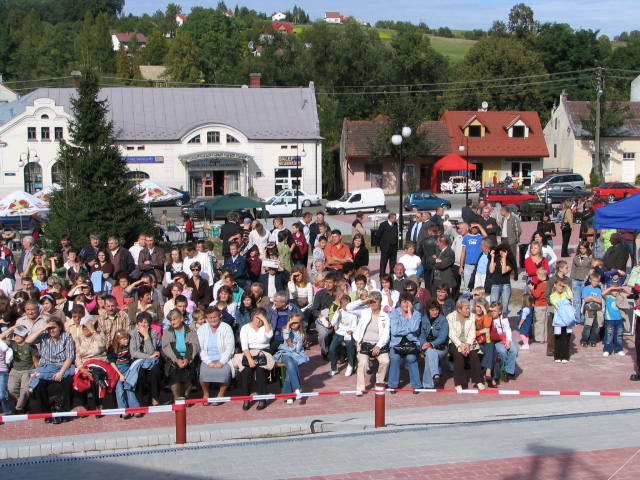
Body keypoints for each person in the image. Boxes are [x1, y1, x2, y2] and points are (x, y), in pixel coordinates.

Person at [25, 318, 75, 423]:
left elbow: (70, 357)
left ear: (60, 327)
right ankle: (47, 413)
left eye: (54, 328)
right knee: (39, 384)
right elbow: (28, 340)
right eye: (49, 328)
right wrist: (43, 328)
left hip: (62, 366)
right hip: (46, 367)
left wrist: (61, 372)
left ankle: (65, 413)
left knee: (68, 382)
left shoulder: (66, 336)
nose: (51, 330)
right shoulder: (44, 336)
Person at [348, 292, 390, 396]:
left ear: (380, 302)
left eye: (375, 301)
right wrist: (364, 301)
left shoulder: (385, 316)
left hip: (379, 344)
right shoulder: (364, 312)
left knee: (385, 361)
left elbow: (386, 334)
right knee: (362, 363)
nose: (373, 304)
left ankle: (379, 381)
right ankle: (360, 387)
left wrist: (378, 346)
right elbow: (349, 308)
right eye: (371, 301)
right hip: (364, 343)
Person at [237, 309, 274, 411]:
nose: (259, 320)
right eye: (257, 318)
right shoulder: (245, 328)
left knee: (261, 371)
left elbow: (269, 336)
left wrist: (265, 321)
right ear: (252, 317)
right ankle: (246, 399)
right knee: (247, 371)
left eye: (261, 318)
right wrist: (249, 359)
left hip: (263, 352)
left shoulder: (266, 327)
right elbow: (244, 346)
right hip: (249, 352)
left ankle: (262, 398)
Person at [197, 307, 234, 404]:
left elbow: (230, 347)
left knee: (225, 372)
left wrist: (221, 362)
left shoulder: (226, 328)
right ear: (206, 318)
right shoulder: (202, 329)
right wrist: (209, 362)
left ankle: (220, 394)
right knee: (203, 374)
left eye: (215, 317)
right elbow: (200, 348)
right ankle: (206, 393)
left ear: (219, 316)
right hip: (207, 359)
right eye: (210, 318)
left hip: (223, 358)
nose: (213, 320)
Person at [447, 298, 485, 391]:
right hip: (455, 342)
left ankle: (478, 381)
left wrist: (467, 344)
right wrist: (460, 345)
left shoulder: (472, 316)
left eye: (469, 308)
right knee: (458, 356)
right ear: (459, 309)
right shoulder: (450, 317)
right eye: (466, 309)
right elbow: (451, 334)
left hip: (468, 342)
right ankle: (459, 382)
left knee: (474, 355)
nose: (468, 310)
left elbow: (472, 333)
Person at [162, 309, 200, 401]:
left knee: (189, 372)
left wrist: (187, 359)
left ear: (181, 318)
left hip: (189, 358)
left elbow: (194, 346)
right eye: (171, 320)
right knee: (174, 374)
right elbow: (167, 347)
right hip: (173, 359)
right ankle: (177, 397)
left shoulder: (190, 330)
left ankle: (186, 395)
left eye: (174, 319)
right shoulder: (167, 332)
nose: (172, 322)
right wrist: (177, 359)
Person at [388, 293, 422, 391]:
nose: (406, 304)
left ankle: (416, 385)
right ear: (400, 303)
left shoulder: (417, 314)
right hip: (396, 343)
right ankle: (393, 385)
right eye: (404, 302)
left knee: (411, 358)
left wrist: (410, 313)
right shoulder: (395, 313)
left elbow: (414, 328)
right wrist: (409, 329)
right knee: (395, 358)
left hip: (412, 343)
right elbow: (394, 331)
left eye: (408, 302)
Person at [0, 325, 36, 414]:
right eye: (15, 335)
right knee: (11, 389)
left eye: (19, 335)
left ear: (25, 335)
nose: (16, 337)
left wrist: (36, 372)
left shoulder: (30, 346)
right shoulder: (12, 344)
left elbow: (35, 361)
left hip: (28, 370)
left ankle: (19, 408)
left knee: (25, 390)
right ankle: (22, 404)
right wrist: (13, 327)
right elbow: (0, 338)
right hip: (15, 370)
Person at [129, 312, 162, 406]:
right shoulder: (132, 334)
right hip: (138, 360)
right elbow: (134, 352)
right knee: (140, 373)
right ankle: (141, 399)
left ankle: (154, 397)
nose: (143, 325)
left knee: (156, 371)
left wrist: (146, 336)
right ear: (137, 324)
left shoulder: (154, 333)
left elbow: (152, 351)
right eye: (141, 323)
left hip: (151, 360)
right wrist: (148, 356)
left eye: (145, 322)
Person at [274, 314, 309, 404]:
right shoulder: (286, 330)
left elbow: (297, 349)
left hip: (296, 355)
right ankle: (297, 388)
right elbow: (285, 337)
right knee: (290, 363)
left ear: (300, 324)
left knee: (290, 372)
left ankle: (288, 395)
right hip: (285, 353)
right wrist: (288, 324)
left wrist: (290, 343)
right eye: (292, 322)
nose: (293, 324)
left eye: (296, 323)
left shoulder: (301, 335)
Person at [107, 329, 140, 419]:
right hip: (117, 369)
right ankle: (123, 410)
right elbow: (112, 362)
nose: (126, 341)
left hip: (127, 367)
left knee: (129, 387)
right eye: (124, 339)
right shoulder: (113, 348)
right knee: (119, 389)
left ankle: (135, 408)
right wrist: (120, 374)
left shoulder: (129, 347)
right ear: (118, 340)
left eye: (127, 339)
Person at [419, 300, 449, 389]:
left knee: (430, 353)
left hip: (440, 347)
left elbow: (442, 337)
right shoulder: (424, 319)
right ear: (428, 310)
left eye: (437, 310)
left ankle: (428, 384)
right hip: (426, 346)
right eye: (432, 310)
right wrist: (424, 344)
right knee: (429, 352)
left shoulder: (443, 320)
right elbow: (421, 335)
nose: (435, 312)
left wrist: (431, 344)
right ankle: (435, 375)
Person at [328, 295, 358, 377]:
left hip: (348, 335)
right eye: (343, 305)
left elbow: (354, 326)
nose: (345, 307)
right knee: (332, 349)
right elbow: (333, 323)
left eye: (347, 305)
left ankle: (350, 365)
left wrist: (351, 331)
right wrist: (337, 313)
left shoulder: (353, 314)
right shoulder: (339, 312)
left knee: (350, 348)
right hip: (338, 334)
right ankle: (334, 368)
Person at [489, 301, 519, 382]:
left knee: (514, 350)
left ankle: (509, 370)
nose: (492, 313)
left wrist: (508, 341)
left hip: (505, 338)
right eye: (491, 311)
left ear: (500, 312)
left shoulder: (504, 319)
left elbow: (508, 330)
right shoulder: (489, 319)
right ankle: (503, 369)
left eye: (495, 311)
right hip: (496, 339)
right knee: (502, 351)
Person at [549, 279, 575, 363]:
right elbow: (557, 304)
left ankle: (565, 356)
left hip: (567, 320)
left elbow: (571, 296)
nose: (561, 287)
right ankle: (557, 356)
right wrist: (565, 303)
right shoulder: (552, 295)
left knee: (566, 337)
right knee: (558, 338)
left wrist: (567, 287)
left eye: (562, 286)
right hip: (558, 320)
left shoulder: (565, 294)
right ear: (555, 285)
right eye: (559, 285)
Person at [488, 243, 517, 316]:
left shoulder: (509, 262)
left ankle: (503, 320)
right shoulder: (496, 259)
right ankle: (492, 321)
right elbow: (491, 270)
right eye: (500, 250)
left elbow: (503, 271)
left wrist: (504, 259)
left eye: (503, 251)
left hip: (505, 286)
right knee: (493, 306)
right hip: (495, 285)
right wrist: (492, 257)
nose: (501, 252)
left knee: (504, 309)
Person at [602, 286, 629, 357]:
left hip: (619, 320)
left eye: (617, 291)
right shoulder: (608, 297)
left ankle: (619, 349)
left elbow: (629, 293)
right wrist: (611, 288)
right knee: (609, 335)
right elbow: (603, 293)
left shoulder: (621, 296)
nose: (615, 292)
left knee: (619, 336)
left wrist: (622, 287)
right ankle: (607, 350)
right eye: (614, 290)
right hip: (610, 320)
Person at [571, 241, 593, 324]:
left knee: (584, 300)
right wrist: (571, 279)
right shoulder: (576, 257)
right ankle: (577, 318)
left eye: (583, 248)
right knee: (577, 301)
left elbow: (591, 269)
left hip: (585, 281)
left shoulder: (590, 258)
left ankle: (584, 317)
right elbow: (573, 269)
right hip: (576, 280)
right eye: (580, 248)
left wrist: (589, 279)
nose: (582, 250)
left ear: (587, 249)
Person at [460, 223, 485, 293]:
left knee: (478, 287)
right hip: (468, 265)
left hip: (478, 265)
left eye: (475, 227)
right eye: (473, 227)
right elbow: (463, 252)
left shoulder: (480, 237)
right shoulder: (466, 238)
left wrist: (479, 226)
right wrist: (461, 266)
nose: (474, 229)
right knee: (467, 287)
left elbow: (486, 237)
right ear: (470, 228)